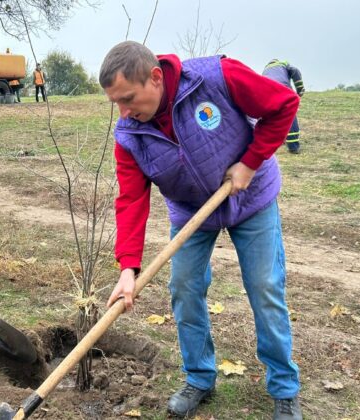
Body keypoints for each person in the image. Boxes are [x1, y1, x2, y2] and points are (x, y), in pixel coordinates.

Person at [100, 41, 302, 420]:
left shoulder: (216, 77)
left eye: (128, 98)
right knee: (184, 288)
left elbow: (283, 105)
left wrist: (251, 162)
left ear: (156, 78)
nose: (124, 112)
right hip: (192, 210)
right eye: (117, 103)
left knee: (265, 287)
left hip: (251, 197)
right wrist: (128, 267)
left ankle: (284, 388)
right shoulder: (130, 135)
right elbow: (130, 200)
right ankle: (199, 377)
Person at [262, 59, 305, 154]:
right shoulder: (283, 63)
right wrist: (300, 89)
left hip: (266, 91)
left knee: (274, 116)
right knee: (289, 113)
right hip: (282, 88)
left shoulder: (265, 71)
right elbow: (295, 71)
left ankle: (275, 141)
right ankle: (293, 147)